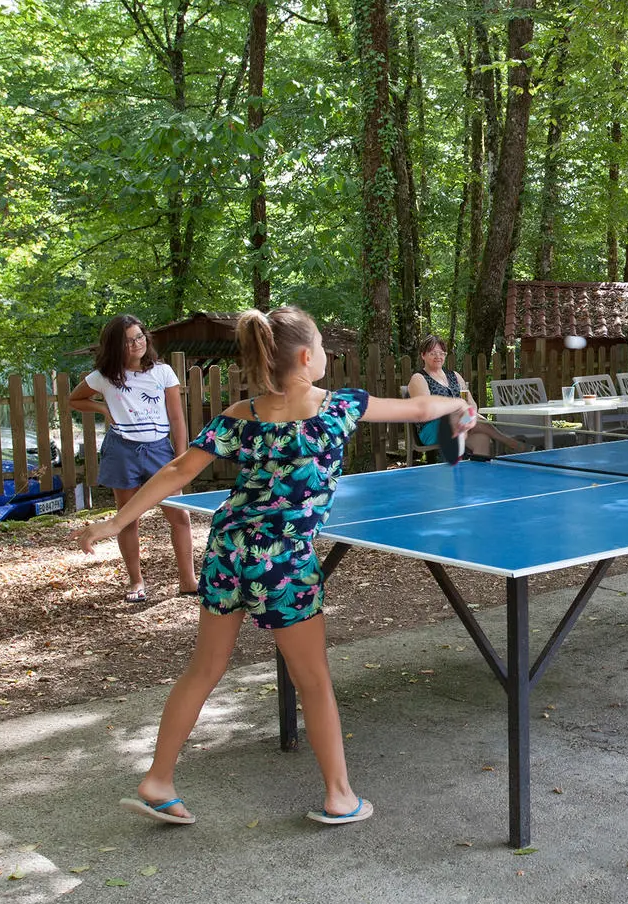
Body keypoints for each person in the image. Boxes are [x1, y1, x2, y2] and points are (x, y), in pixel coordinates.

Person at [72, 306, 472, 827]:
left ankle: (158, 780)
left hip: (228, 549)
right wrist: (460, 405)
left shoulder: (242, 415)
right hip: (283, 561)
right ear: (307, 358)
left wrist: (115, 521)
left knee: (204, 668)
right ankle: (339, 796)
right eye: (324, 346)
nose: (327, 354)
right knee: (313, 680)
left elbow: (177, 469)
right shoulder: (340, 407)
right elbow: (421, 410)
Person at [69, 316, 197, 602]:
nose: (136, 343)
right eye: (128, 340)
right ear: (116, 345)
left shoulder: (163, 372)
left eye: (139, 337)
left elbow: (177, 418)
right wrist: (102, 409)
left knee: (179, 516)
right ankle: (135, 582)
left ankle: (188, 580)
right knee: (127, 518)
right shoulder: (104, 376)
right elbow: (74, 400)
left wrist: (181, 457)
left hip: (159, 450)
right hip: (122, 450)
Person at [407, 335, 526, 456]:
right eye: (432, 353)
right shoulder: (419, 378)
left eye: (441, 353)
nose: (438, 356)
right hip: (433, 429)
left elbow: (472, 404)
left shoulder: (454, 376)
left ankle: (476, 473)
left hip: (461, 425)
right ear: (423, 355)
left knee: (482, 439)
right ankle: (510, 442)